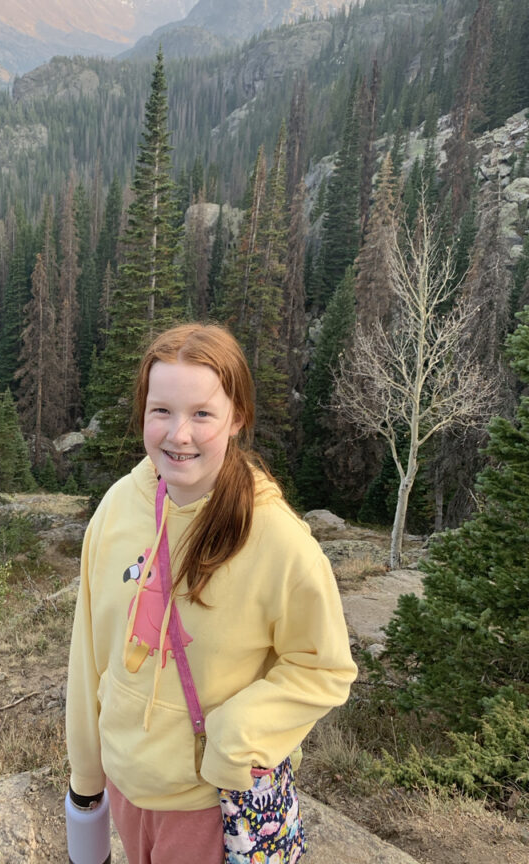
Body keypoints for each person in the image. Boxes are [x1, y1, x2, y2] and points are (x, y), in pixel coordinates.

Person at [66, 323, 357, 863]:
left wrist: (237, 736)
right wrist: (87, 777)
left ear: (236, 417)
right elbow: (89, 652)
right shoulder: (116, 509)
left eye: (202, 413)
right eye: (162, 411)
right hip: (129, 789)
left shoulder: (277, 540)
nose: (179, 434)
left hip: (206, 807)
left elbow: (325, 668)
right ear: (143, 412)